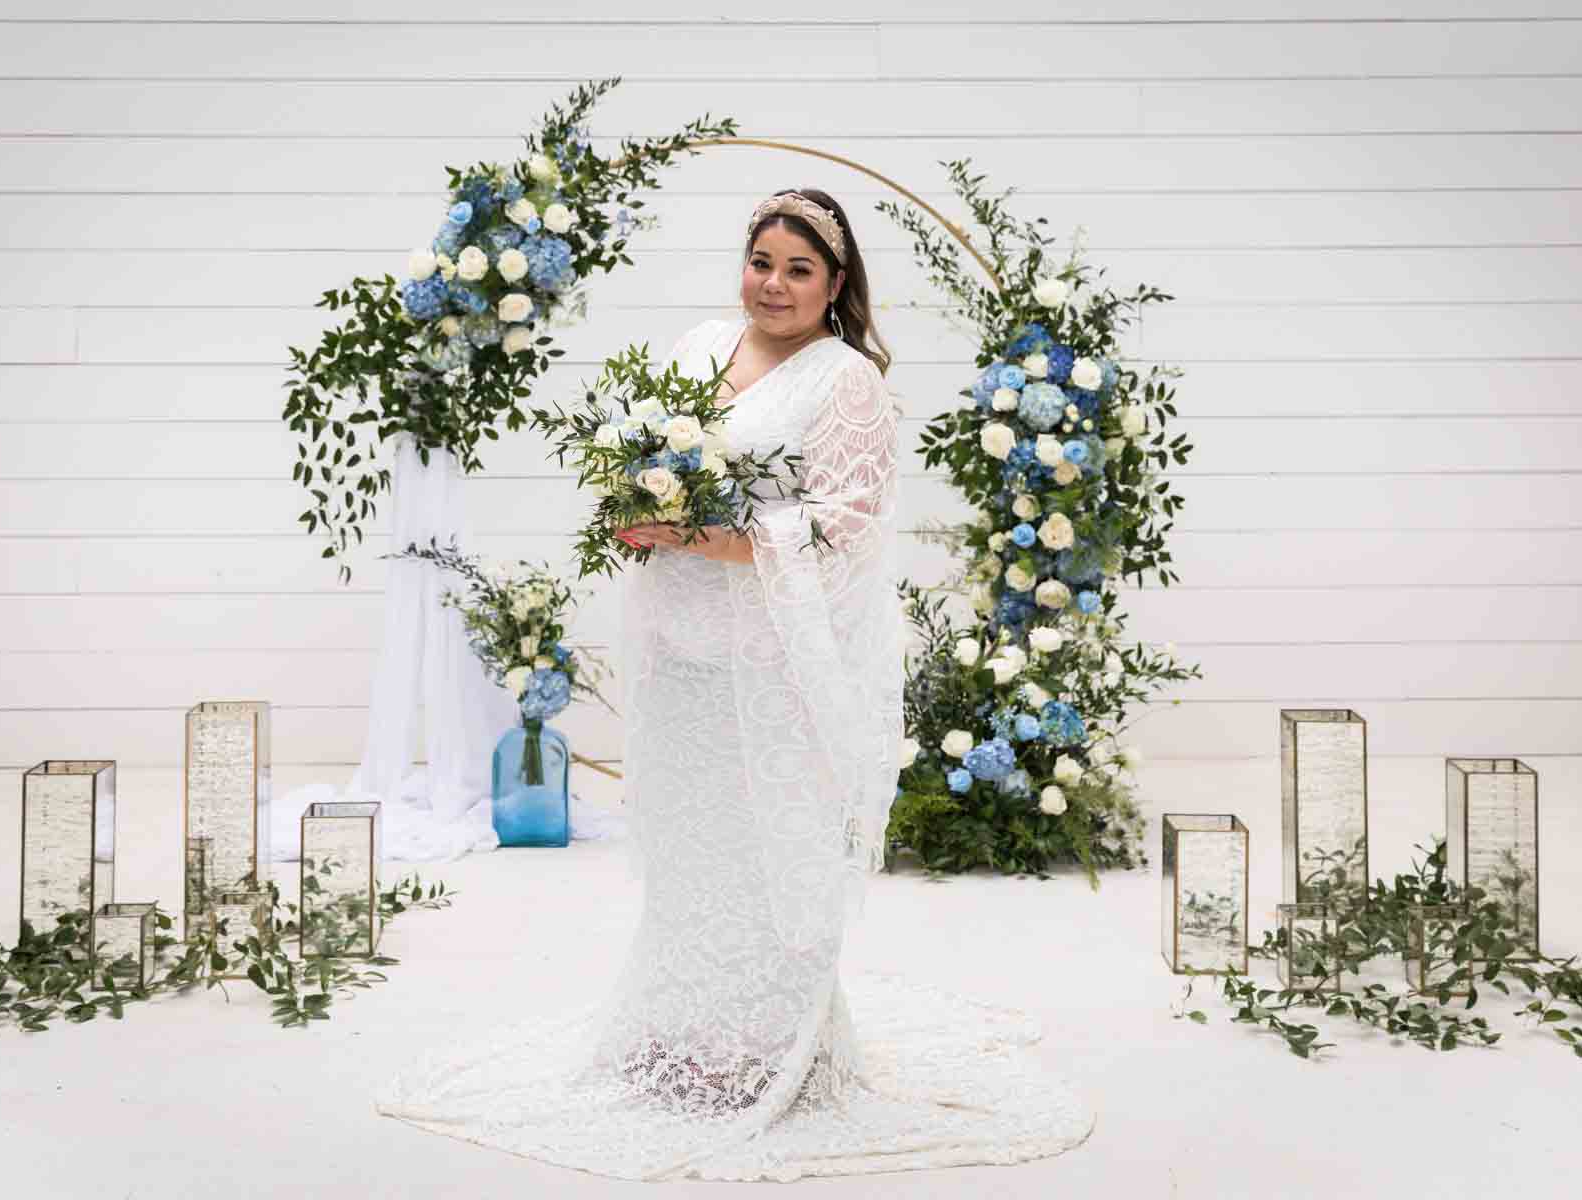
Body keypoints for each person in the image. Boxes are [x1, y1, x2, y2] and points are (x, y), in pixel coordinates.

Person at [376, 189, 1094, 1181]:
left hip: (775, 659)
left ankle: (766, 1051)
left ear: (837, 286)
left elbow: (850, 521)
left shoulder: (847, 383)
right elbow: (634, 460)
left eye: (800, 269)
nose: (775, 283)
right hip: (681, 649)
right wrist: (634, 507)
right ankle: (682, 1030)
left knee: (771, 846)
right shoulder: (698, 345)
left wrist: (722, 538)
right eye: (763, 260)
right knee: (688, 837)